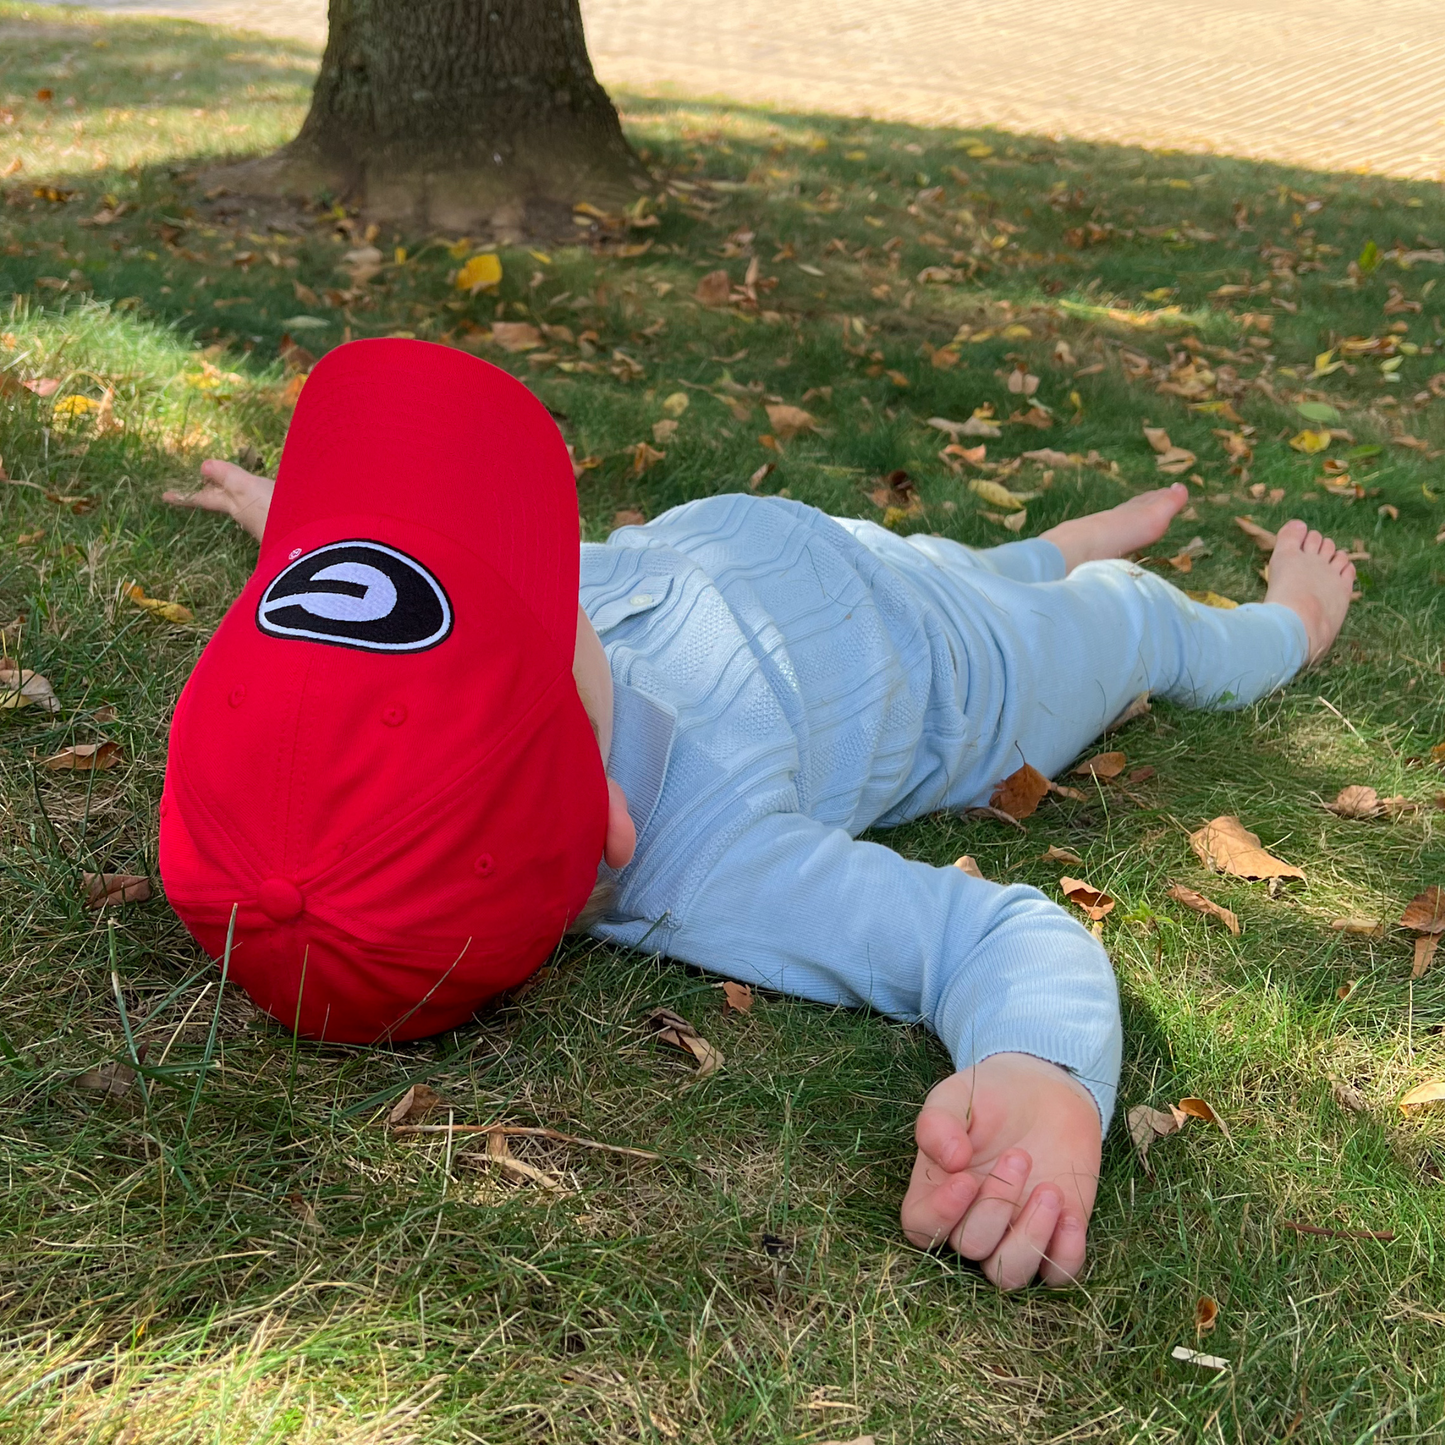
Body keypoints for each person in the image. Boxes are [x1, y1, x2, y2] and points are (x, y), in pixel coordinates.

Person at [160, 339, 1355, 1291]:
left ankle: (1031, 551)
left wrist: (311, 526)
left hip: (831, 560)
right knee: (1133, 619)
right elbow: (986, 937)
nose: (517, 571)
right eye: (510, 588)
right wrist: (1039, 1071)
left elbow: (420, 615)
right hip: (972, 671)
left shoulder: (523, 708)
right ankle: (1277, 625)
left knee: (950, 554)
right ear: (610, 823)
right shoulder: (710, 861)